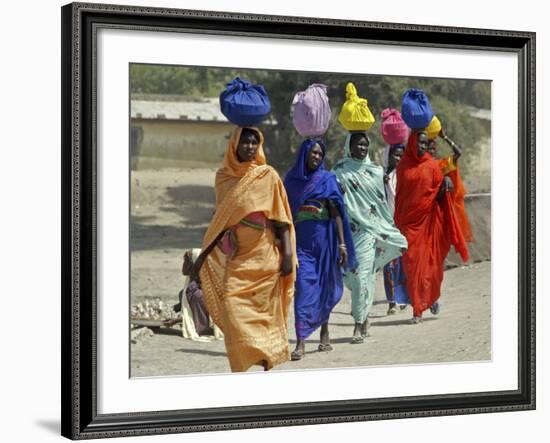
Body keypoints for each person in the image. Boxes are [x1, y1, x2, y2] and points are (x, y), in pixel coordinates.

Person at [195, 127, 297, 372]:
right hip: (237, 261)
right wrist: (199, 262)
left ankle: (265, 362)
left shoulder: (267, 176)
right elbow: (218, 223)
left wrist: (288, 256)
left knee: (266, 317)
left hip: (265, 259)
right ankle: (241, 366)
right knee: (232, 310)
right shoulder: (223, 179)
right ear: (234, 146)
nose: (250, 147)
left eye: (254, 142)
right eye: (245, 142)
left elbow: (281, 220)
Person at [284, 139, 357, 360]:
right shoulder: (291, 181)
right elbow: (284, 214)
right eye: (313, 153)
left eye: (319, 154)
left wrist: (342, 244)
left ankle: (325, 331)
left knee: (325, 286)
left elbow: (336, 213)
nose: (316, 157)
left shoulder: (327, 179)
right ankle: (301, 342)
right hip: (302, 245)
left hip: (326, 242)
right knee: (304, 289)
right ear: (304, 154)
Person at [333, 132, 408, 343]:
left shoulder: (375, 172)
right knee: (355, 278)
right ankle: (364, 316)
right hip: (348, 233)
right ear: (349, 146)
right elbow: (333, 200)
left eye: (365, 144)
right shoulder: (339, 171)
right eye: (358, 144)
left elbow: (380, 206)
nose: (362, 148)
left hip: (368, 232)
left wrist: (387, 228)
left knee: (362, 276)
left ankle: (358, 324)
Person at [394, 131, 469, 324]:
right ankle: (417, 309)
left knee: (432, 266)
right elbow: (401, 198)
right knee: (412, 266)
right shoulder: (403, 167)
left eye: (425, 143)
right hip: (409, 225)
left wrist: (445, 185)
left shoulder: (433, 166)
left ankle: (426, 302)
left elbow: (440, 194)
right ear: (411, 143)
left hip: (430, 224)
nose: (422, 147)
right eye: (419, 143)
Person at [427, 128, 474, 243]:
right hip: (426, 210)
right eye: (429, 149)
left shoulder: (441, 165)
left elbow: (458, 153)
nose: (432, 151)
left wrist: (445, 137)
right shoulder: (419, 167)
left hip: (440, 210)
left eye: (433, 149)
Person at [169, 249, 223, 341]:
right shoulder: (197, 272)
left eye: (186, 263)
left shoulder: (206, 272)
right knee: (184, 293)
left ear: (193, 262)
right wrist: (177, 308)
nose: (183, 266)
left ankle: (202, 328)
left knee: (197, 296)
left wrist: (178, 320)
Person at [381, 144, 410, 315]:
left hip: (404, 224)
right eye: (395, 156)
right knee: (388, 264)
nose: (398, 159)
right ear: (389, 156)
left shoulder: (406, 176)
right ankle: (391, 301)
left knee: (404, 263)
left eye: (401, 156)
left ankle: (403, 297)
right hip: (387, 225)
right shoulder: (381, 177)